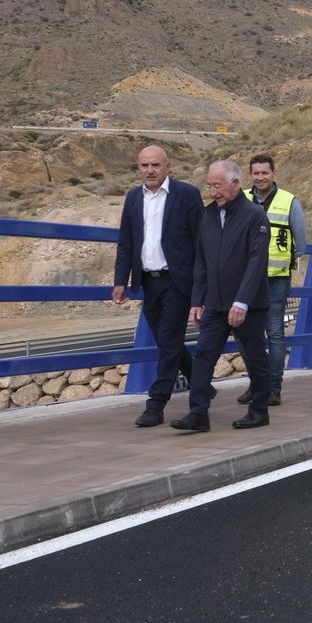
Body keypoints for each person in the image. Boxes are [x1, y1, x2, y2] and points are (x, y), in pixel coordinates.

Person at [170, 160, 275, 432]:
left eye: (218, 185)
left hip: (248, 305)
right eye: (210, 185)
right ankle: (198, 413)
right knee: (204, 356)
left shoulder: (255, 216)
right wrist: (196, 301)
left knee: (255, 357)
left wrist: (242, 302)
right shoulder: (207, 217)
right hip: (215, 303)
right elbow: (201, 263)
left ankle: (259, 410)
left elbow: (256, 262)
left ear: (235, 184)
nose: (213, 191)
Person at [113, 144, 205, 428]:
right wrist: (121, 281)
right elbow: (127, 242)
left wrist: (200, 288)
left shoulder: (187, 194)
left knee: (167, 342)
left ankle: (156, 403)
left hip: (177, 282)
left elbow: (201, 242)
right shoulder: (133, 198)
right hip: (148, 282)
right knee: (169, 342)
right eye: (144, 166)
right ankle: (202, 382)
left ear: (168, 167)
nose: (150, 171)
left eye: (155, 165)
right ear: (138, 168)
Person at [236, 153, 305, 408]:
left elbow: (299, 243)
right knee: (244, 333)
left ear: (273, 174)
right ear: (250, 175)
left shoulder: (289, 202)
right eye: (256, 173)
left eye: (265, 172)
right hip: (244, 281)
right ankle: (257, 383)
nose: (260, 177)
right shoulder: (240, 199)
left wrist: (281, 262)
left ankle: (273, 388)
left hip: (276, 280)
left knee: (274, 332)